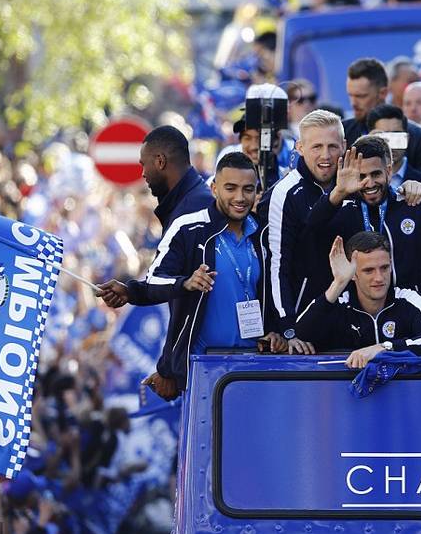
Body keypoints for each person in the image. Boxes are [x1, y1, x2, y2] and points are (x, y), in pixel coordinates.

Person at [132, 153, 286, 400]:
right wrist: (186, 283)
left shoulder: (264, 234)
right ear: (214, 188)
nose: (240, 197)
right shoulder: (189, 227)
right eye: (230, 188)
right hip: (204, 368)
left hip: (255, 367)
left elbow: (278, 292)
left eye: (248, 189)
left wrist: (276, 332)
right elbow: (153, 282)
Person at [307, 136, 421, 309]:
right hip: (355, 315)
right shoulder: (340, 210)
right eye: (361, 176)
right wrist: (339, 191)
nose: (370, 183)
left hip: (408, 312)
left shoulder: (415, 206)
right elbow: (310, 228)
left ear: (388, 171)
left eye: (376, 174)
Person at [257, 109, 346, 355]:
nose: (325, 155)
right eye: (317, 147)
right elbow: (277, 266)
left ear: (344, 145)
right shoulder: (283, 193)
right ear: (300, 147)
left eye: (332, 146)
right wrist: (288, 328)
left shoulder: (355, 185)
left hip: (348, 322)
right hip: (302, 327)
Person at [295, 233, 421, 366]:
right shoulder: (339, 303)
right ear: (353, 274)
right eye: (368, 270)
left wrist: (385, 348)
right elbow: (303, 332)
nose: (379, 278)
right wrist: (339, 283)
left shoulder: (408, 298)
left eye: (384, 268)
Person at [97, 125, 212, 308]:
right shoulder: (193, 200)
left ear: (160, 161)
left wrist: (131, 291)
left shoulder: (189, 211)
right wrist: (129, 292)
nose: (143, 174)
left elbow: (156, 279)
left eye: (144, 164)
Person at [343, 57, 421, 176]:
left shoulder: (417, 136)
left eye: (361, 96)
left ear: (383, 93)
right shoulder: (342, 132)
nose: (353, 103)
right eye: (350, 95)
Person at [366, 104, 421, 217]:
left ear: (407, 138)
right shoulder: (359, 183)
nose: (391, 145)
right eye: (384, 137)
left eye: (397, 136)